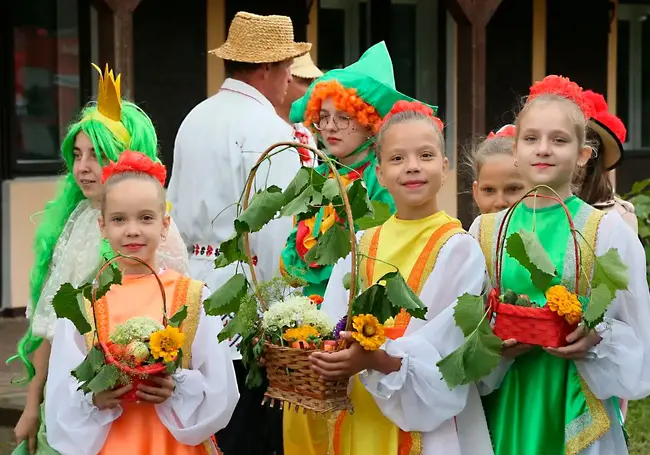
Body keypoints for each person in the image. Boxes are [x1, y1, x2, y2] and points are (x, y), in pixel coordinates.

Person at [10, 64, 188, 455]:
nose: (83, 167)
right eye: (77, 155)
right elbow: (52, 329)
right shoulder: (79, 222)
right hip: (77, 399)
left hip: (137, 409)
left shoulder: (155, 234)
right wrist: (32, 406)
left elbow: (179, 327)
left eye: (97, 155)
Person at [471, 75, 650, 455]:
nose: (544, 150)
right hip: (506, 397)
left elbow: (636, 327)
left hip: (574, 399)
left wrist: (595, 337)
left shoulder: (606, 231)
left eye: (559, 140)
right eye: (531, 138)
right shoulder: (486, 231)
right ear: (515, 149)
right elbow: (470, 319)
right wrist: (493, 345)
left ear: (583, 154)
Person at [311, 100, 494, 455]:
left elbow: (444, 350)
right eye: (397, 159)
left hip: (426, 419)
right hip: (362, 408)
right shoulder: (362, 244)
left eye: (425, 156)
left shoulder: (458, 249)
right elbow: (331, 322)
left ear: (444, 167)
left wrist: (378, 358)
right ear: (378, 173)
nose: (412, 167)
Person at [167, 11, 310, 455]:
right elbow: (271, 232)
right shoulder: (269, 129)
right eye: (287, 66)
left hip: (191, 287)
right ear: (266, 68)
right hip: (245, 296)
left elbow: (170, 208)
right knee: (249, 429)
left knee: (205, 422)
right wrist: (285, 316)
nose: (291, 77)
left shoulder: (195, 116)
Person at [280, 42, 433, 455]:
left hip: (366, 334)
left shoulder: (383, 181)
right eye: (323, 118)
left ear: (370, 123)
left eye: (343, 118)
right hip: (313, 337)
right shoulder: (319, 177)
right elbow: (299, 257)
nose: (330, 128)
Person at [45, 151, 238, 455]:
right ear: (102, 226)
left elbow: (220, 386)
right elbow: (61, 391)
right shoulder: (84, 303)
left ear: (164, 224)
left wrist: (176, 387)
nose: (132, 229)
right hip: (113, 443)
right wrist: (93, 397)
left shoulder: (192, 296)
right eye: (119, 219)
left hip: (173, 443)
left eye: (145, 218)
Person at [575, 89, 637, 233]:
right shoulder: (522, 210)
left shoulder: (617, 218)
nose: (545, 150)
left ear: (588, 156)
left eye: (560, 141)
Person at [276, 52, 323, 166]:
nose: (313, 89)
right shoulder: (269, 127)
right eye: (306, 81)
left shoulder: (304, 131)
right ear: (286, 79)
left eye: (314, 82)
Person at [470, 125, 527, 215]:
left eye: (513, 189)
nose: (500, 203)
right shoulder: (476, 229)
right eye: (489, 190)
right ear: (476, 193)